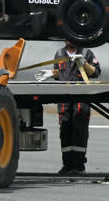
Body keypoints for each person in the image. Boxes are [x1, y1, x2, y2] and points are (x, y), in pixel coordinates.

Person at [38, 39, 100, 174]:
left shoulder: (86, 52)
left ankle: (78, 165)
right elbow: (59, 72)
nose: (68, 39)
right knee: (65, 131)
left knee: (80, 131)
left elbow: (96, 73)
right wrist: (51, 73)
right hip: (64, 99)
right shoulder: (59, 53)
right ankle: (67, 164)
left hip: (80, 99)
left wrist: (84, 64)